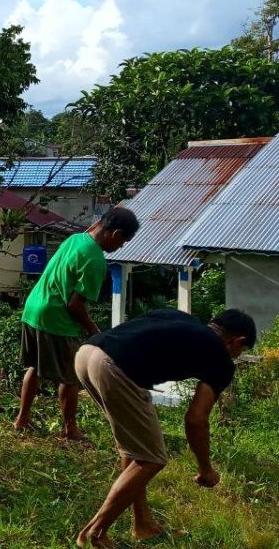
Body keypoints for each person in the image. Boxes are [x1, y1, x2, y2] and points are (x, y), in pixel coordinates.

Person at [74, 308, 256, 548]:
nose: (235, 356)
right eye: (240, 352)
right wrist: (206, 469)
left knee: (135, 451)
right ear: (237, 340)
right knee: (151, 459)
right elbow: (196, 420)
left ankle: (143, 525)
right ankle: (93, 533)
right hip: (114, 367)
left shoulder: (181, 319)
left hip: (87, 353)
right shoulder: (220, 358)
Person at [14, 206, 139, 440]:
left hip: (34, 307)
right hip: (56, 318)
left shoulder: (75, 239)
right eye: (123, 242)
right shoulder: (95, 260)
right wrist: (94, 330)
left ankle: (22, 419)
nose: (120, 247)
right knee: (72, 377)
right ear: (116, 234)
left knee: (36, 367)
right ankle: (70, 428)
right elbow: (75, 305)